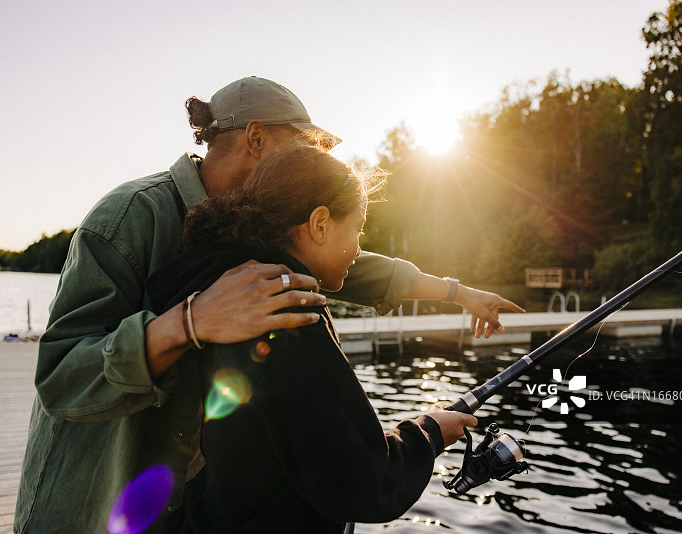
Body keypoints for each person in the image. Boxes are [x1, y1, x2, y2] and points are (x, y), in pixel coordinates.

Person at [14, 76, 523, 533]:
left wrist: (459, 292)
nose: (312, 164)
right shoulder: (131, 216)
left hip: (181, 507)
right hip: (93, 505)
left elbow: (352, 264)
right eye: (301, 149)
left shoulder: (263, 240)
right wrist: (191, 322)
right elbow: (62, 374)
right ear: (257, 139)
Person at [145, 144, 477, 533]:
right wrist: (431, 431)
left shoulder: (225, 287)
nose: (358, 247)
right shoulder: (289, 311)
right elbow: (359, 481)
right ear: (320, 224)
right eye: (357, 229)